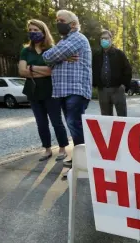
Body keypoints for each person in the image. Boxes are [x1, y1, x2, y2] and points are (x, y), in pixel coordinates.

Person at [42, 10, 92, 174]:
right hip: (65, 90)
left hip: (75, 89)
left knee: (74, 123)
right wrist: (63, 57)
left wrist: (58, 57)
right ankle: (82, 158)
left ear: (72, 24)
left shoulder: (77, 38)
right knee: (74, 124)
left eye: (61, 20)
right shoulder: (64, 41)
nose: (58, 23)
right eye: (56, 20)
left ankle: (83, 159)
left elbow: (49, 56)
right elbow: (50, 57)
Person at [18, 19, 69, 162]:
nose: (33, 33)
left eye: (36, 30)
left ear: (43, 31)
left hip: (51, 91)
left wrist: (32, 68)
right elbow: (22, 71)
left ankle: (62, 148)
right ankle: (47, 149)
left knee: (56, 122)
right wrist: (42, 71)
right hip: (33, 92)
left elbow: (51, 71)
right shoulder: (26, 51)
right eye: (30, 30)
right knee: (41, 123)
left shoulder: (52, 49)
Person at [92, 30, 132, 116]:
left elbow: (128, 69)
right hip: (102, 90)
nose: (104, 40)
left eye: (106, 38)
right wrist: (95, 84)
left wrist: (124, 85)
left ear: (111, 39)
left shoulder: (119, 54)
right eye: (102, 38)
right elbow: (93, 70)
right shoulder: (96, 55)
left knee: (122, 116)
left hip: (117, 89)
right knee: (106, 117)